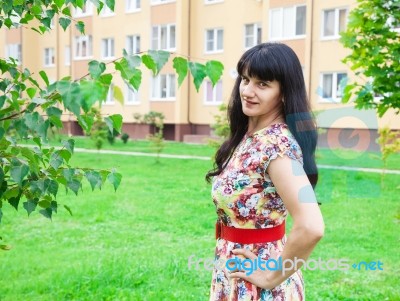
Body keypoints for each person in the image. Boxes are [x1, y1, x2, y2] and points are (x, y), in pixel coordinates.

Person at [206, 42, 324, 300]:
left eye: (262, 84)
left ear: (283, 92)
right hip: (236, 271)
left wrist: (271, 276)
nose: (247, 91)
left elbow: (311, 225)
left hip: (259, 281)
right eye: (246, 79)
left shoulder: (276, 147)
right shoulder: (251, 137)